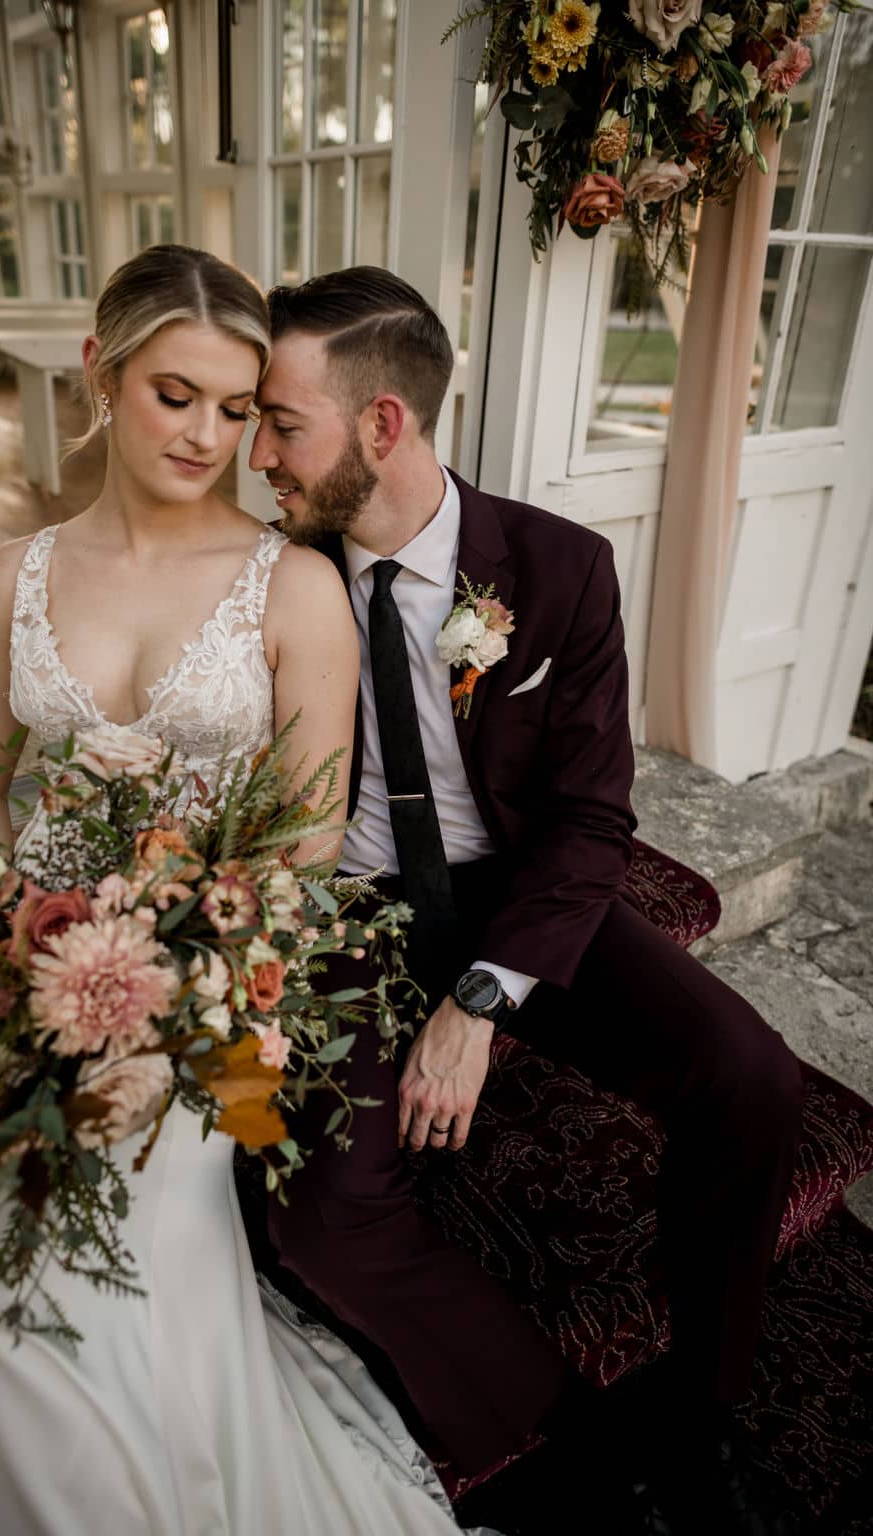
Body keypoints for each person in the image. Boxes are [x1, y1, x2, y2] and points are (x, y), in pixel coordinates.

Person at [0, 246, 493, 1536]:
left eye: (238, 407)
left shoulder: (293, 583)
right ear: (101, 374)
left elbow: (304, 842)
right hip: (17, 962)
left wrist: (178, 988)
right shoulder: (6, 578)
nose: (209, 433)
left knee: (58, 1316)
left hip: (209, 995)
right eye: (174, 394)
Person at [248, 266, 804, 1536]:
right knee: (321, 1218)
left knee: (753, 1078)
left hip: (516, 893)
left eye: (282, 422)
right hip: (342, 907)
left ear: (381, 423)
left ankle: (702, 1422)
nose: (258, 452)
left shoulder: (557, 570)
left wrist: (481, 1001)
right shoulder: (272, 579)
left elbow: (591, 817)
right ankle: (581, 1441)